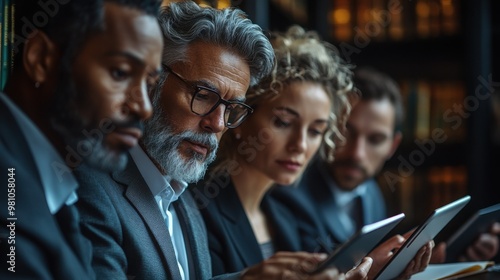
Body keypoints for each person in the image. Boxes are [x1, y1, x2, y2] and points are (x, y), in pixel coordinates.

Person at [74, 2, 276, 279]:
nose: (216, 123)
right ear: (151, 81)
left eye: (230, 109)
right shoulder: (91, 186)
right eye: (203, 95)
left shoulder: (182, 191)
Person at [273, 67, 500, 274]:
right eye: (346, 132)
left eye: (375, 139)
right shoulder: (288, 192)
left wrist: (441, 262)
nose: (357, 153)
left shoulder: (371, 193)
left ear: (392, 146)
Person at [192, 25, 376, 280]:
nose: (300, 145)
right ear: (240, 117)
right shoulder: (198, 210)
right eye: (283, 123)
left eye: (315, 131)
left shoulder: (287, 211)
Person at [0, 0, 163, 279]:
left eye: (150, 84)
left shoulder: (55, 185)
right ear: (40, 58)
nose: (144, 107)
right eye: (120, 73)